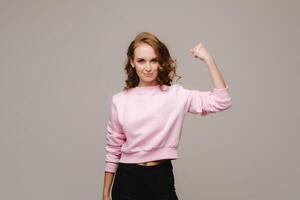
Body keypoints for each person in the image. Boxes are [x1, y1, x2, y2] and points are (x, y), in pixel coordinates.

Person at [102, 32, 232, 200]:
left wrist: (209, 60)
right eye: (141, 61)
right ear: (132, 62)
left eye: (154, 60)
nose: (148, 68)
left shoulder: (176, 95)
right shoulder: (119, 100)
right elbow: (113, 148)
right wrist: (105, 192)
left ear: (161, 63)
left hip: (160, 177)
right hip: (127, 179)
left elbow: (222, 101)